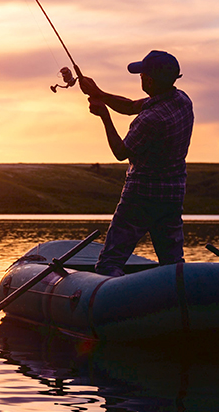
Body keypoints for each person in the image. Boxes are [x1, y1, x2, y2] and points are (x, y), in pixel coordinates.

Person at [79, 50, 194, 276]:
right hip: (172, 196)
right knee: (172, 263)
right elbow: (131, 106)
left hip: (140, 197)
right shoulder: (181, 100)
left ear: (149, 80)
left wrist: (104, 115)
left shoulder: (151, 120)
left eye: (142, 75)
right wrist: (99, 93)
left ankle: (108, 304)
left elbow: (121, 152)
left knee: (109, 263)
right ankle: (178, 301)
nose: (140, 77)